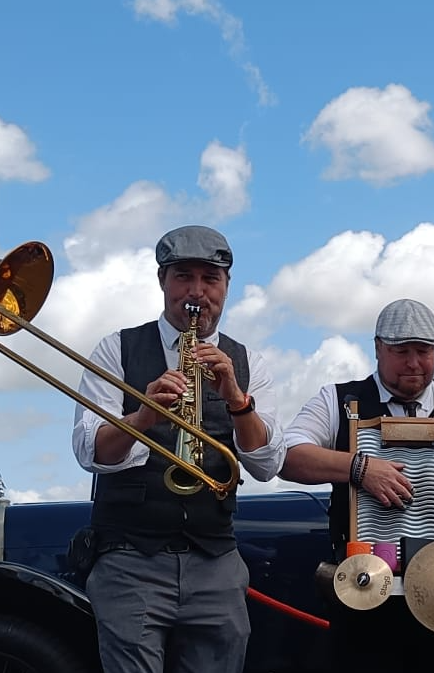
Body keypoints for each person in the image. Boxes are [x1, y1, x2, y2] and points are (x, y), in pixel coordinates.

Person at [70, 224, 283, 673]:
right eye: (184, 277)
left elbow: (266, 463)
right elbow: (90, 451)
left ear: (226, 287)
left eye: (210, 279)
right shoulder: (116, 349)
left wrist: (237, 400)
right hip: (130, 558)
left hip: (215, 560)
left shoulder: (249, 363)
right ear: (163, 282)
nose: (197, 292)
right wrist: (143, 415)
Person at [278, 298, 434, 673]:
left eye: (424, 351)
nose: (414, 363)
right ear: (378, 348)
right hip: (364, 593)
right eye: (402, 352)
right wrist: (359, 467)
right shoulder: (339, 401)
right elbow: (286, 456)